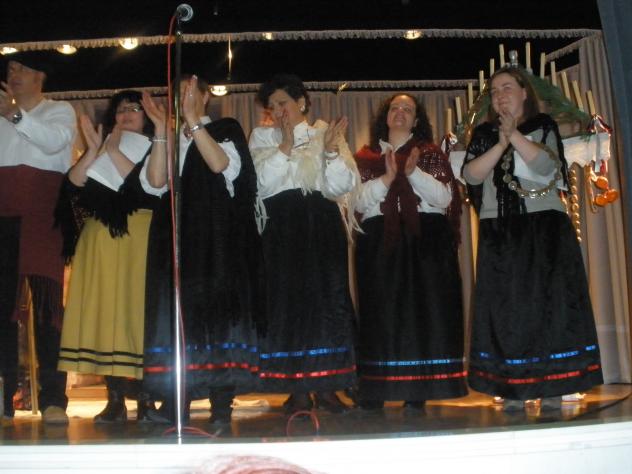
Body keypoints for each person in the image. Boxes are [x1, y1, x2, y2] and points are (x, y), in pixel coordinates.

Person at [462, 66, 603, 411]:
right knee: (508, 310)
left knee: (549, 306)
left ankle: (555, 386)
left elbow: (546, 168)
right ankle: (511, 387)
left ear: (525, 92)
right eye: (494, 91)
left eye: (507, 87)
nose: (500, 95)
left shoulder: (543, 125)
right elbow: (471, 175)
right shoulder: (484, 133)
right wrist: (500, 141)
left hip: (544, 228)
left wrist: (514, 135)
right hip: (500, 231)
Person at [141, 75, 262, 425]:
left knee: (216, 320)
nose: (182, 98)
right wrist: (161, 129)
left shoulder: (224, 128)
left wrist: (194, 122)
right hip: (173, 239)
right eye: (176, 93)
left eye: (189, 91)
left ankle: (220, 406)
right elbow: (155, 181)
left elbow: (221, 165)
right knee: (176, 320)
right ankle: (176, 403)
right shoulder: (169, 137)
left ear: (206, 96)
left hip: (215, 242)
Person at [249, 73, 358, 414]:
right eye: (272, 106)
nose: (277, 110)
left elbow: (341, 186)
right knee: (287, 304)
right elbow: (261, 184)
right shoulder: (262, 137)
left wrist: (331, 153)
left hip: (321, 225)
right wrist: (284, 143)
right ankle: (296, 389)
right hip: (281, 228)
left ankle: (327, 387)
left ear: (301, 102)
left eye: (283, 102)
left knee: (327, 303)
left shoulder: (325, 133)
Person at [354, 93, 467, 410]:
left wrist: (413, 172)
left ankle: (418, 390)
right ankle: (376, 389)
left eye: (407, 109)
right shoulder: (366, 156)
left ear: (416, 120)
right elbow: (357, 202)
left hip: (425, 239)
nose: (400, 112)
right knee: (381, 312)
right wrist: (387, 178)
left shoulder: (430, 154)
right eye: (395, 108)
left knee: (423, 313)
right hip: (380, 239)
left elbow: (445, 199)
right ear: (386, 116)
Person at [56, 90, 161, 422]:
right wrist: (93, 151)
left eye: (134, 108)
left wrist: (113, 151)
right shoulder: (104, 145)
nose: (126, 114)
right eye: (120, 109)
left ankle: (146, 400)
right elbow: (73, 187)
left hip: (138, 240)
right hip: (100, 242)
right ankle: (114, 399)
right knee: (105, 316)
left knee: (135, 317)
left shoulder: (156, 146)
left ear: (147, 115)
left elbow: (146, 187)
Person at [0, 54, 76, 424]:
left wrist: (14, 115)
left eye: (22, 69)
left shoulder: (59, 110)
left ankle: (53, 399)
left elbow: (53, 143)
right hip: (2, 219)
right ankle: (4, 398)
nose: (14, 74)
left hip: (44, 219)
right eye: (11, 69)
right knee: (2, 310)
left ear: (40, 76)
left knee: (48, 311)